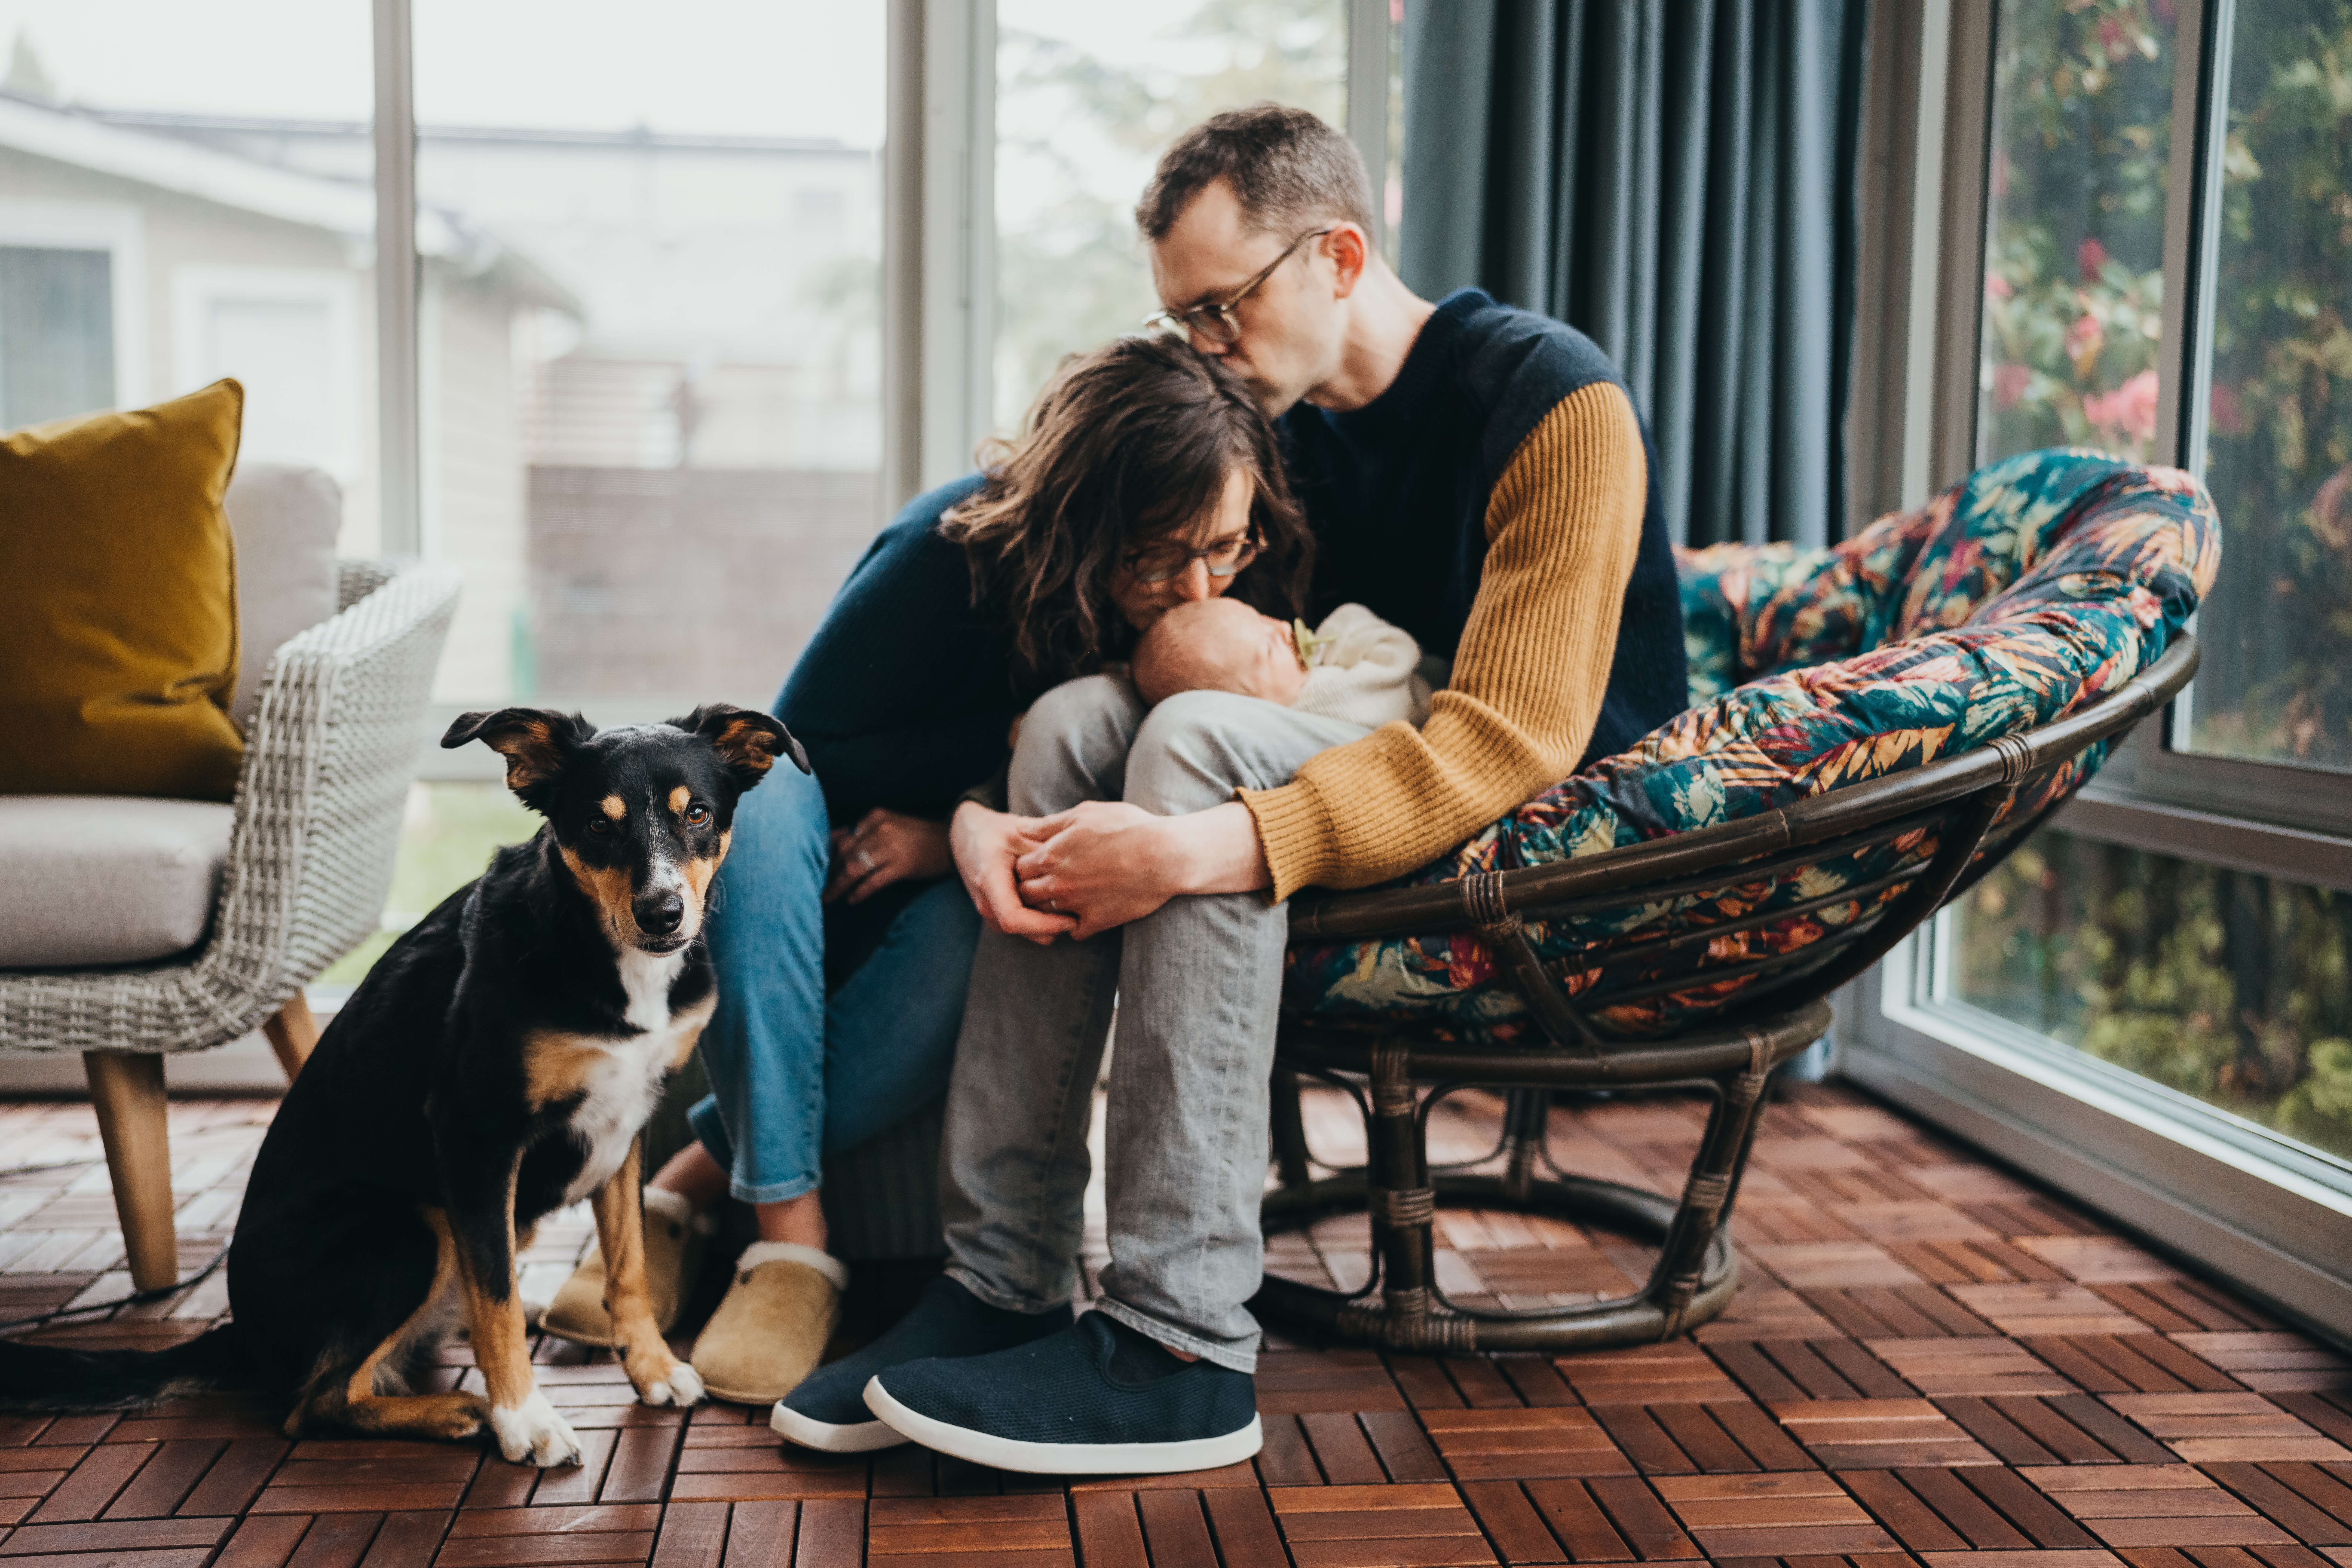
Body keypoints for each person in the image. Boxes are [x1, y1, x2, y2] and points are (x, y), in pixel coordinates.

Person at [774, 104, 1687, 1472]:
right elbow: (1170, 660)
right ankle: (1004, 1276)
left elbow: (1509, 742)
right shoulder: (1275, 426)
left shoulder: (1552, 402)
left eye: (1221, 307)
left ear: (1338, 256)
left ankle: (1183, 1341)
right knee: (1078, 720)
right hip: (1340, 752)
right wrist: (970, 812)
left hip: (1536, 829)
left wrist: (1200, 850)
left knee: (1191, 742)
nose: (1202, 346)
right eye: (1181, 317)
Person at [539, 334, 1314, 1407]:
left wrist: (955, 832)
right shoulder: (946, 551)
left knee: (995, 914)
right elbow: (799, 749)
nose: (1195, 586)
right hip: (824, 887)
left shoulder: (1230, 587)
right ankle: (792, 1243)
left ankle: (684, 1187)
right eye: (1155, 557)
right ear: (1085, 524)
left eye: (1222, 549)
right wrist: (954, 803)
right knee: (766, 805)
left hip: (963, 895)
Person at [1131, 596, 1431, 728]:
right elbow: (1401, 656)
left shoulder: (1296, 684)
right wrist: (1345, 632)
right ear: (1246, 708)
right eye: (1269, 648)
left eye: (1262, 618)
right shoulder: (1323, 702)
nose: (1284, 628)